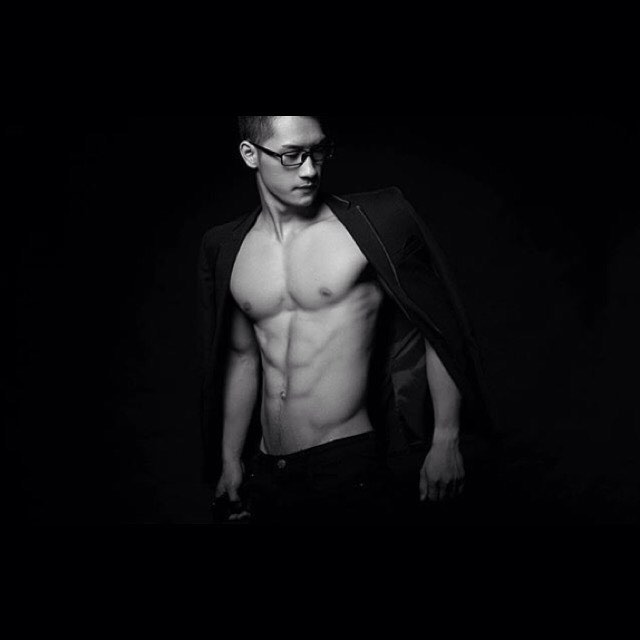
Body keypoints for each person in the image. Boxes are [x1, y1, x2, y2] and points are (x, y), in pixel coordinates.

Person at [197, 115, 494, 525]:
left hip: (346, 464)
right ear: (250, 155)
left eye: (318, 152)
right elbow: (242, 358)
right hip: (266, 470)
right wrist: (231, 459)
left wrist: (446, 438)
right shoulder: (229, 248)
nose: (310, 169)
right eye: (291, 155)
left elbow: (438, 329)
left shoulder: (372, 225)